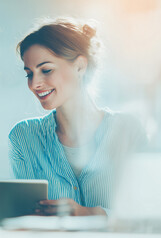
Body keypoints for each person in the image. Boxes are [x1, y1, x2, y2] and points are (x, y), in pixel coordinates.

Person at [8, 18, 145, 216]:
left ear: (80, 67)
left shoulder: (128, 131)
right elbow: (26, 216)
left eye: (46, 70)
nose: (34, 84)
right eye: (29, 73)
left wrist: (89, 214)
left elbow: (153, 217)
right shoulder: (24, 137)